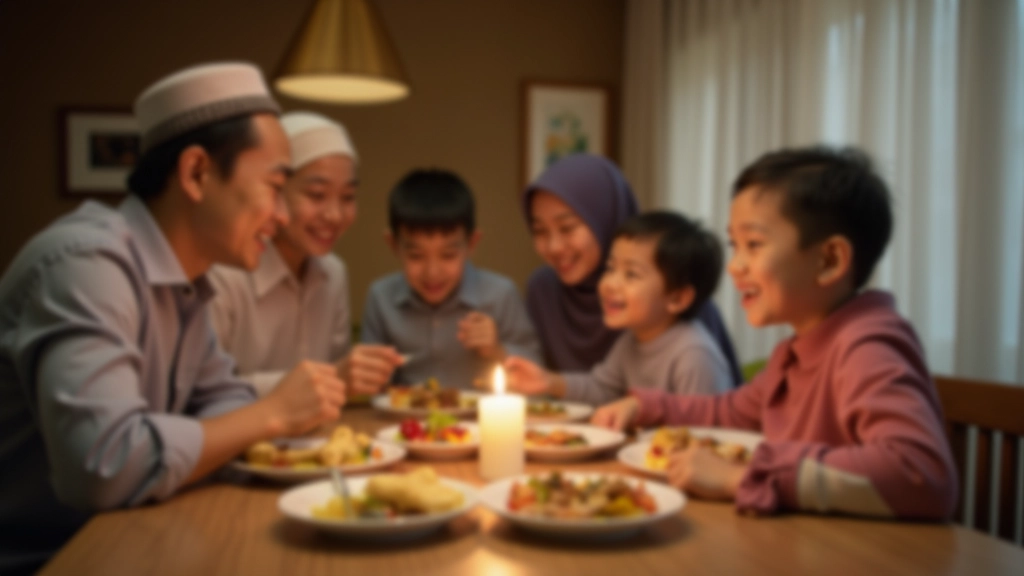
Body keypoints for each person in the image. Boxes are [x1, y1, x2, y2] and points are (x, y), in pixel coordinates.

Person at [0, 63, 347, 574]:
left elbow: (221, 399)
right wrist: (272, 413)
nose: (282, 215)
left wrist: (242, 422)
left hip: (132, 537)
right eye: (275, 187)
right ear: (196, 173)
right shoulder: (86, 263)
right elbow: (104, 466)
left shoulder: (184, 282)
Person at [592, 146, 958, 520]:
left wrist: (744, 476)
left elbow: (921, 472)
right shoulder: (791, 354)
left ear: (830, 260)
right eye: (735, 245)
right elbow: (728, 412)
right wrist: (646, 406)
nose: (734, 266)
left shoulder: (866, 345)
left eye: (753, 245)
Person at [208, 112, 401, 397]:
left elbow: (335, 385)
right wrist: (329, 378)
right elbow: (205, 394)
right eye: (316, 194)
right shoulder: (225, 272)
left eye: (348, 197)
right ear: (275, 192)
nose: (335, 215)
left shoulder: (333, 273)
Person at [523, 154, 743, 384]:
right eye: (539, 231)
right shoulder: (544, 291)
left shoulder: (678, 298)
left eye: (567, 228)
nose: (554, 247)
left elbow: (711, 402)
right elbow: (602, 386)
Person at [506, 211, 733, 405]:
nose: (610, 284)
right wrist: (548, 381)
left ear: (678, 298)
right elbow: (602, 389)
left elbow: (700, 432)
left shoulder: (693, 355)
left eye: (631, 274)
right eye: (611, 268)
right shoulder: (631, 341)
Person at [360, 169, 541, 389]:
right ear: (393, 245)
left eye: (448, 255)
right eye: (416, 256)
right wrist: (373, 372)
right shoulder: (381, 297)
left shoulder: (500, 294)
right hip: (407, 411)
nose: (432, 272)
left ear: (472, 243)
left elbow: (537, 376)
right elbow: (370, 386)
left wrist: (497, 350)